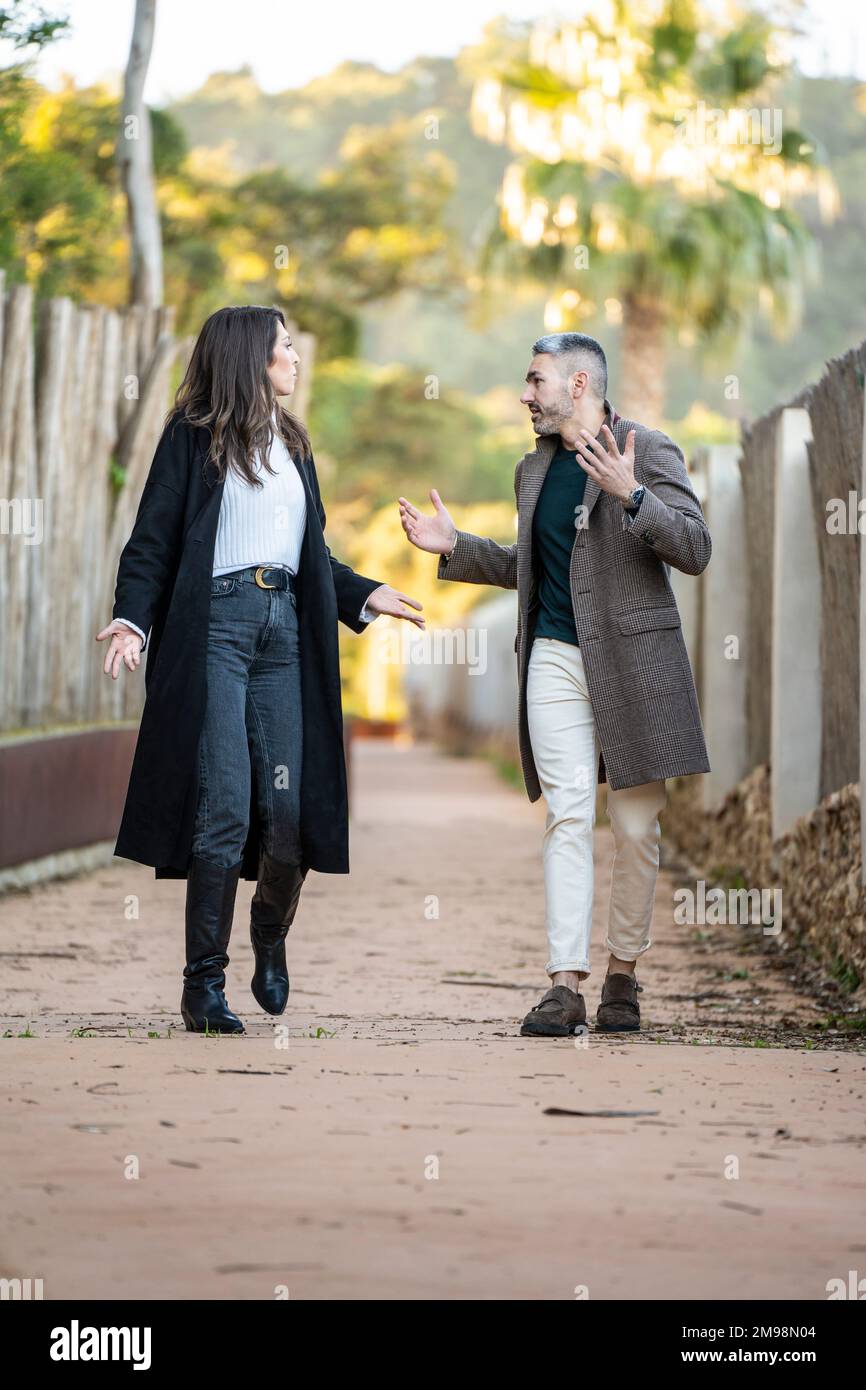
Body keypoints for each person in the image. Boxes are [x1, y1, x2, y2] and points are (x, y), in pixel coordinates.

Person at [97, 304, 424, 1035]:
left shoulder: (295, 446)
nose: (295, 358)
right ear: (250, 356)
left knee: (288, 816)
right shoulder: (192, 440)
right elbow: (151, 541)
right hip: (213, 631)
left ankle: (268, 934)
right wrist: (131, 620)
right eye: (283, 348)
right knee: (225, 809)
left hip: (286, 640)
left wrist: (362, 593)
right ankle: (201, 987)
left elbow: (312, 557)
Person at [398, 331, 711, 1037]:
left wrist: (633, 497)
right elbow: (533, 567)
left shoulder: (648, 449)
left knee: (634, 827)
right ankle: (564, 984)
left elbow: (694, 547)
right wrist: (458, 548)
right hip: (554, 655)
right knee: (568, 813)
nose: (524, 394)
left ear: (577, 386)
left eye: (534, 380)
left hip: (635, 662)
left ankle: (623, 975)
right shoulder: (532, 472)